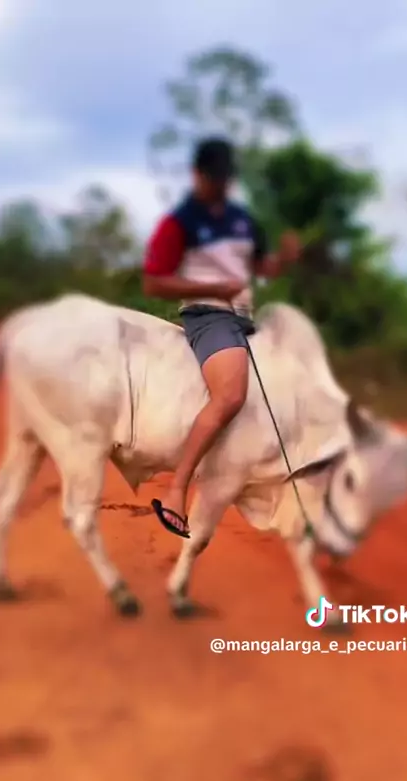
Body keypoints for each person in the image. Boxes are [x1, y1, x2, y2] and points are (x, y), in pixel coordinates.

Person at [142, 136, 300, 538]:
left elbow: (261, 268)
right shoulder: (180, 222)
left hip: (245, 317)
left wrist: (283, 260)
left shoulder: (242, 220)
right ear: (197, 175)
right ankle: (177, 488)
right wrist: (212, 288)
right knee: (230, 396)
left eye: (224, 178)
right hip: (209, 315)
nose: (219, 185)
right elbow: (154, 282)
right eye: (213, 178)